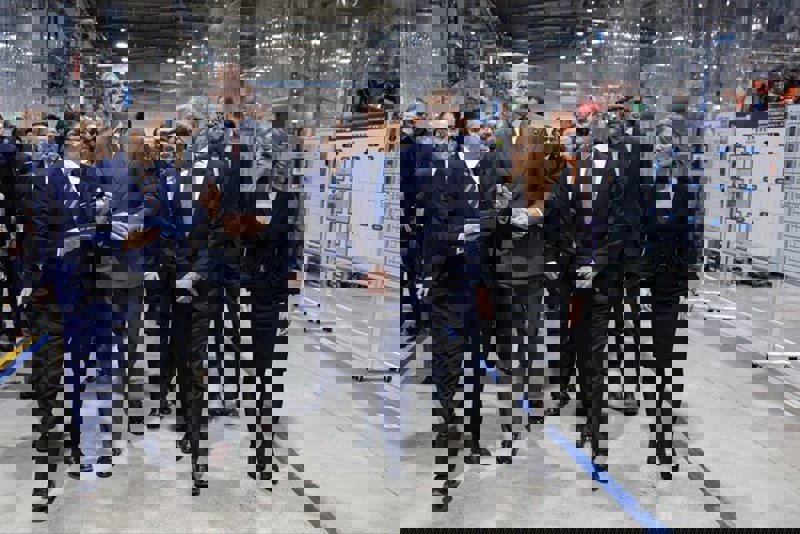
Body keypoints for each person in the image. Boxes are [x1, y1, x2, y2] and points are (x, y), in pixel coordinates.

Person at [544, 99, 626, 480]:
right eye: (579, 131)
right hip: (569, 278)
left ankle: (596, 434)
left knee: (594, 356)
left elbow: (622, 229)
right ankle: (571, 398)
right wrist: (562, 259)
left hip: (600, 281)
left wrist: (596, 265)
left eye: (589, 130)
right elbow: (556, 218)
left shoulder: (616, 176)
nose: (583, 138)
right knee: (570, 344)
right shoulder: (569, 174)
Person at [416, 111, 491, 509]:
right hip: (449, 284)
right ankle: (447, 425)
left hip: (482, 287)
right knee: (448, 359)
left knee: (477, 363)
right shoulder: (440, 176)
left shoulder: (492, 175)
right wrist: (461, 235)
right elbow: (430, 231)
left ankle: (473, 435)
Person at [492, 124, 560, 464]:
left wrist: (516, 215)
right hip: (508, 271)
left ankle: (531, 400)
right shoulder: (504, 178)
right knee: (511, 345)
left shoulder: (546, 178)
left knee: (530, 340)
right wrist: (502, 213)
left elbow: (544, 211)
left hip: (531, 272)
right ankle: (510, 422)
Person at [640, 113, 701, 480]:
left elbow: (693, 232)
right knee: (645, 355)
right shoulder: (644, 184)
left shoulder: (689, 185)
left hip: (671, 282)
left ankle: (662, 436)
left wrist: (690, 273)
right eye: (661, 141)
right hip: (644, 279)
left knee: (666, 357)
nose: (666, 148)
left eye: (672, 141)